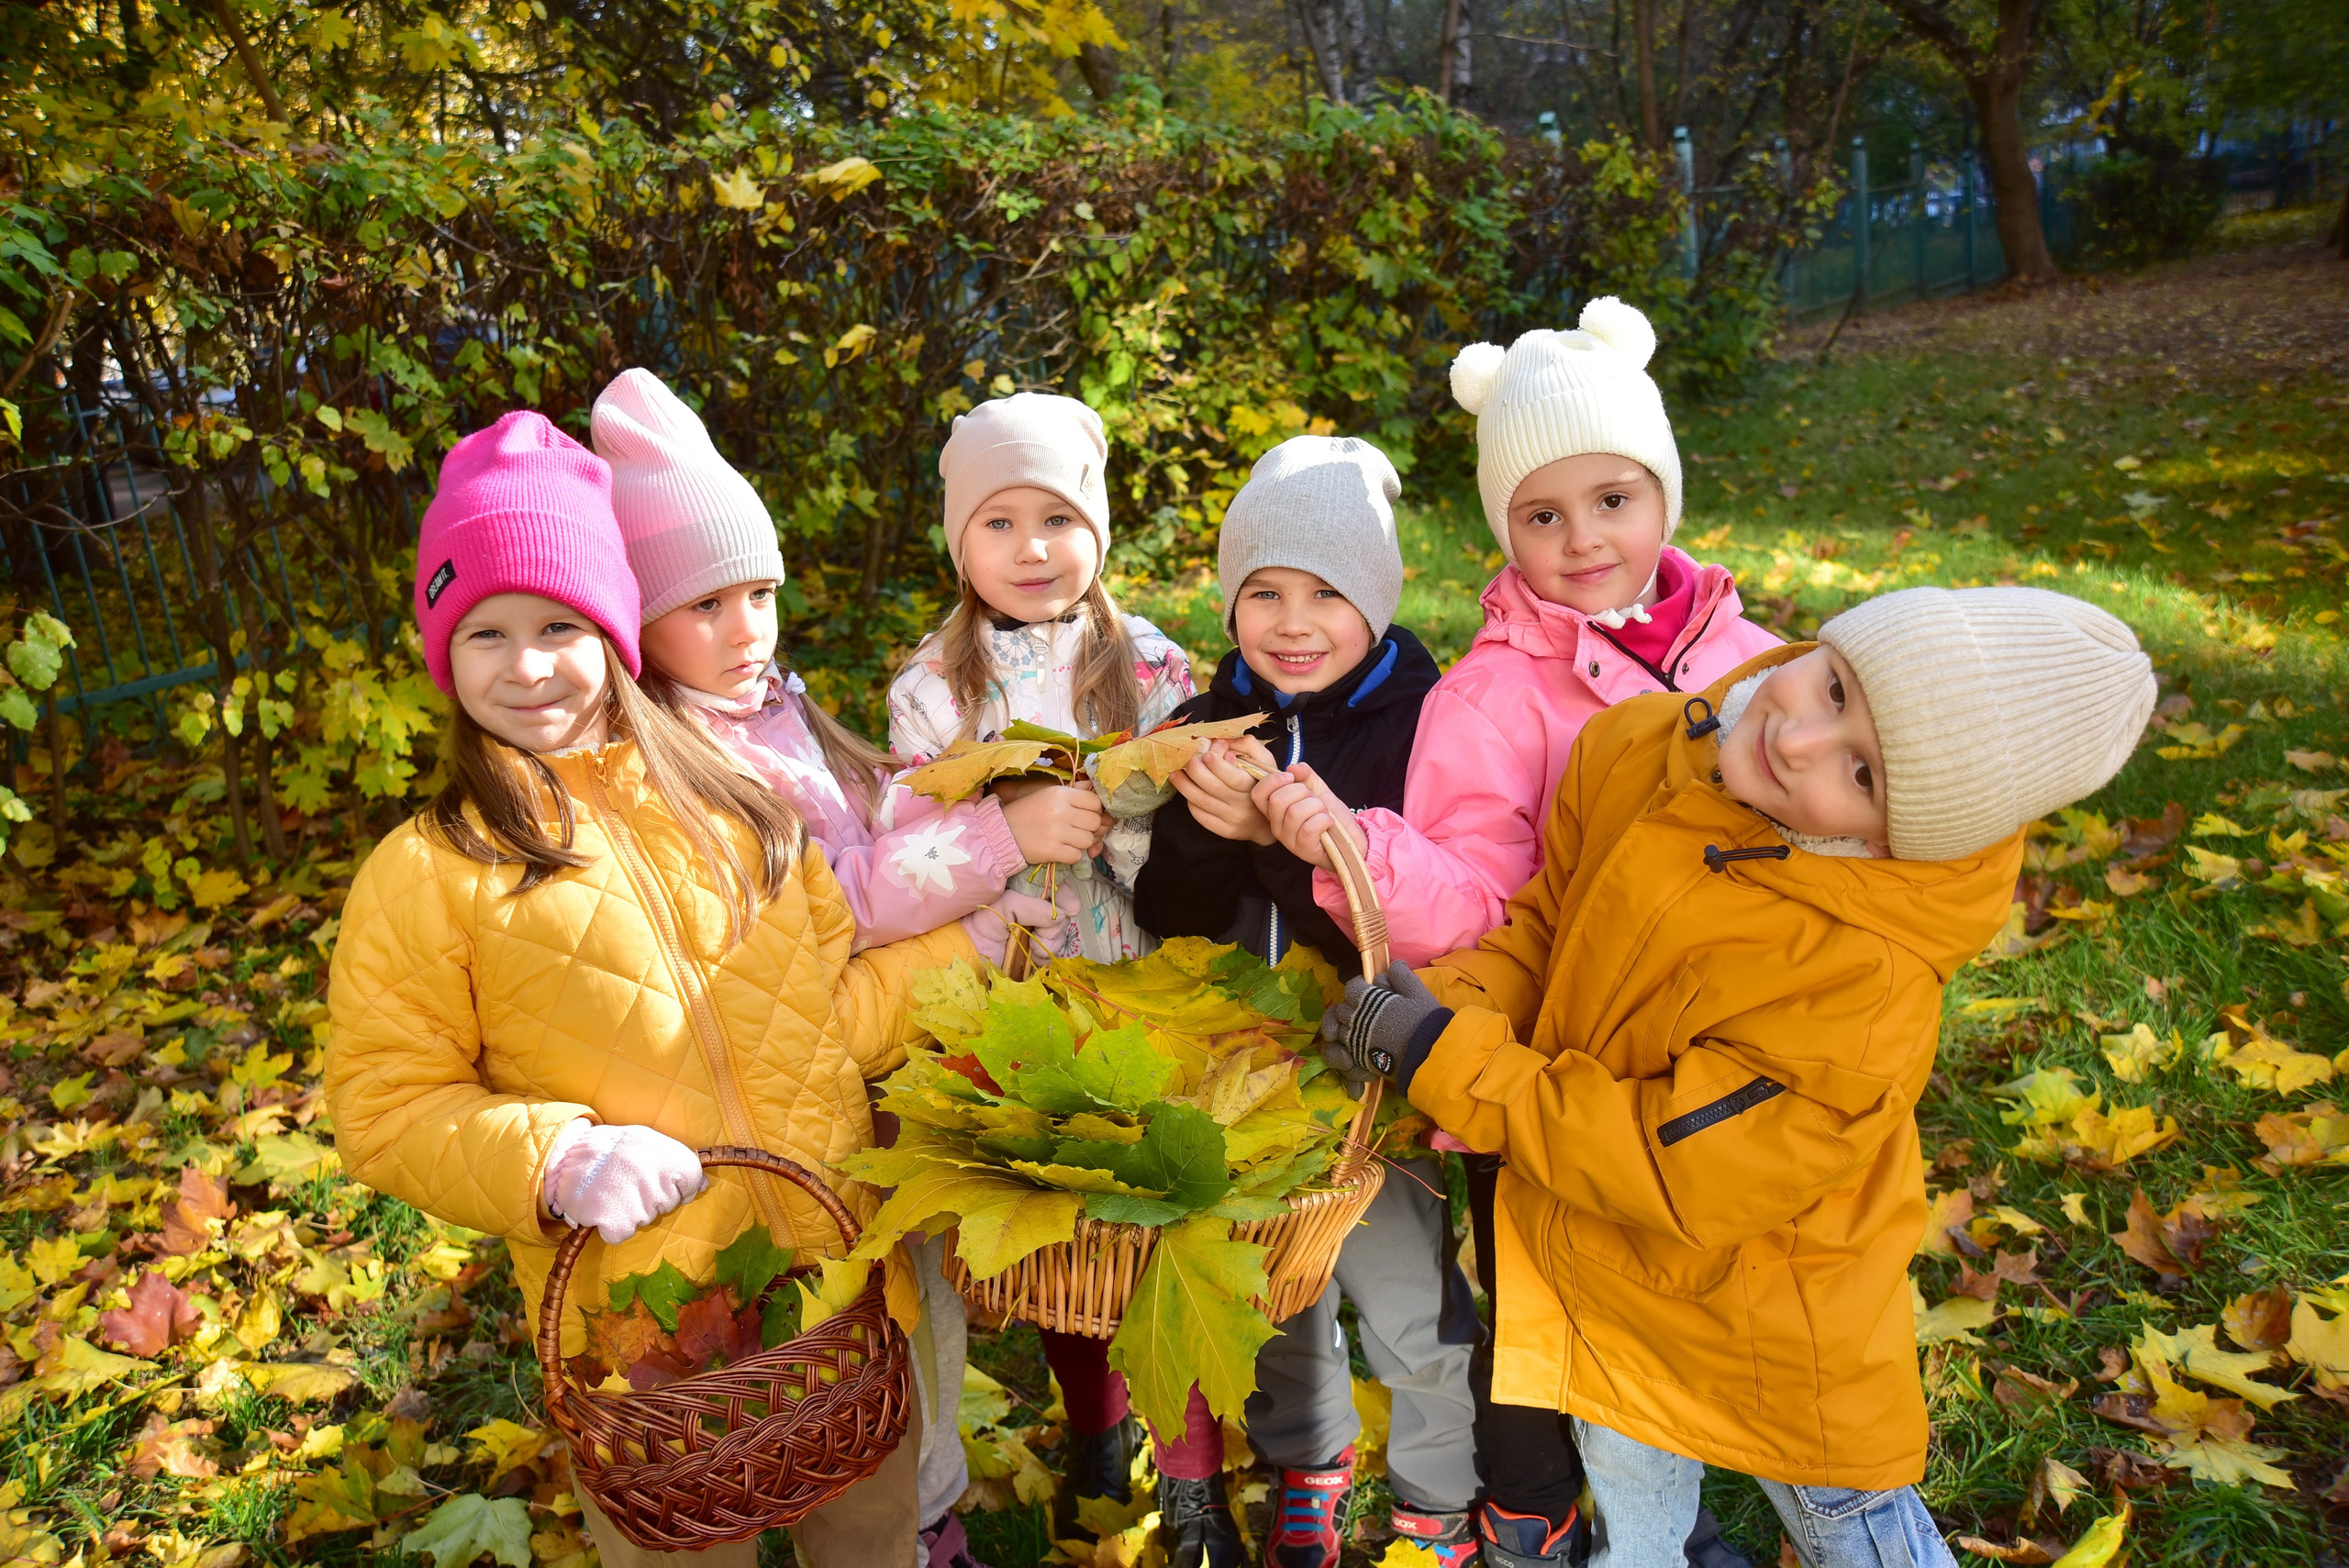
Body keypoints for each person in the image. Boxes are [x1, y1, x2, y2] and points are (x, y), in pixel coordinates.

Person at [1317, 586, 2157, 1568]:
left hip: (1766, 1308)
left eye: (1862, 772)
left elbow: (1675, 1161)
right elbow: (1554, 929)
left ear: (1903, 837)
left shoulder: (1859, 981)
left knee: (1848, 1515)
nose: (1800, 738)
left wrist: (1442, 1055)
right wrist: (1448, 1001)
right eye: (1835, 685)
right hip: (1611, 1262)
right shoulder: (1644, 748)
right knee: (1631, 1498)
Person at [326, 411, 970, 1568]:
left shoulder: (737, 799)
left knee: (870, 1538)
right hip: (646, 1341)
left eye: (561, 625)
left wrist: (964, 964)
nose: (528, 665)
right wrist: (555, 1157)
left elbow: (825, 1006)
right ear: (441, 650)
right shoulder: (428, 872)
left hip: (832, 1298)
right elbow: (387, 1103)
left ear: (615, 628)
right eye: (487, 633)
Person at [1278, 296, 1779, 1568]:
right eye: (1541, 516)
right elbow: (1469, 899)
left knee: (1693, 1279)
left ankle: (1670, 1498)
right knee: (1540, 1308)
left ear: (1664, 493)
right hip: (1544, 1060)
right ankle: (1532, 1509)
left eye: (1613, 499)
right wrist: (1361, 848)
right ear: (1504, 526)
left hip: (1712, 1048)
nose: (1582, 539)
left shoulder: (1749, 662)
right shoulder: (1489, 696)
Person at [591, 368, 1085, 1567]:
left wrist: (965, 780)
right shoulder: (678, 772)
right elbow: (847, 901)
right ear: (637, 622)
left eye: (759, 591)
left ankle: (929, 1504)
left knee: (925, 1310)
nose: (747, 628)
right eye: (706, 603)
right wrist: (997, 847)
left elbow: (861, 817)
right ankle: (905, 1517)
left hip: (873, 1077)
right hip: (814, 1103)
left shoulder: (764, 710)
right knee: (871, 1319)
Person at [1133, 436, 1477, 1568]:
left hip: (1375, 1061)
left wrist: (1279, 847)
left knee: (1405, 1295)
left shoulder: (1420, 719)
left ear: (1375, 601)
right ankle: (1307, 1466)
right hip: (1252, 1065)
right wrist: (1203, 824)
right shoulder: (1203, 716)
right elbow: (1169, 914)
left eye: (1327, 591)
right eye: (1263, 591)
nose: (1292, 620)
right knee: (1283, 1287)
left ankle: (1438, 1501)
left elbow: (1383, 921)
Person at [885, 390, 1197, 1551]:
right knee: (1060, 1233)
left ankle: (1169, 1430)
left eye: (1058, 519)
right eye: (998, 522)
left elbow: (1195, 839)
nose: (1030, 548)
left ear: (1098, 533)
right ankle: (1094, 1426)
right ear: (959, 539)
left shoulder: (1151, 668)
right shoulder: (934, 687)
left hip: (1130, 972)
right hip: (1008, 983)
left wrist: (1110, 815)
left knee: (1142, 1219)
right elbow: (905, 838)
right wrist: (1003, 822)